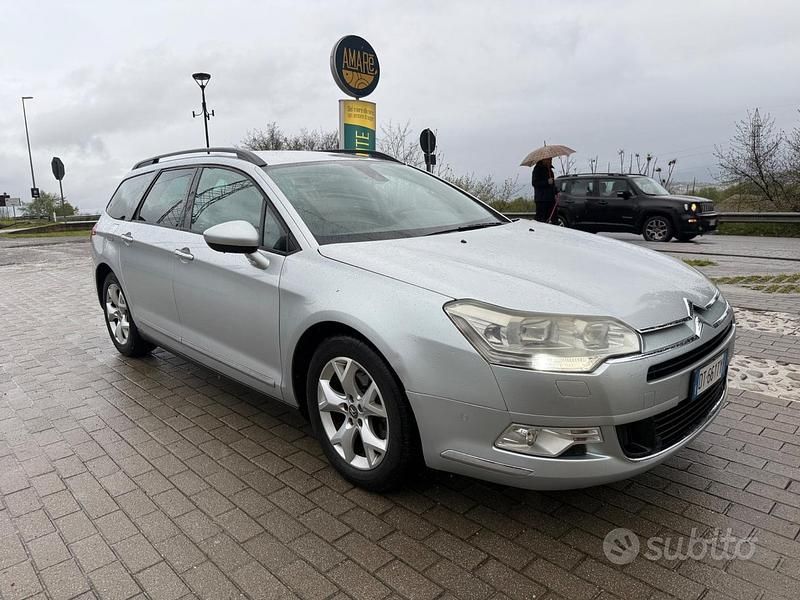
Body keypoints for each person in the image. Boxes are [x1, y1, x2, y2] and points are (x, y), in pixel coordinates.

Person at [532, 158, 557, 223]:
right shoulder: (537, 169)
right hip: (541, 200)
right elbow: (535, 183)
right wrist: (547, 182)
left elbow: (552, 184)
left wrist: (556, 192)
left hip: (551, 199)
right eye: (548, 159)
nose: (550, 161)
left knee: (553, 219)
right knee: (541, 220)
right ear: (543, 160)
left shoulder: (550, 170)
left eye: (551, 159)